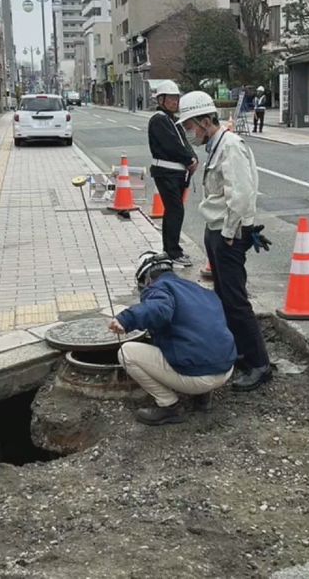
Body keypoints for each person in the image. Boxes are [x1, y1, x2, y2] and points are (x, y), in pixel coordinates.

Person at [175, 90, 274, 392]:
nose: (190, 132)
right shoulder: (216, 146)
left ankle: (259, 364)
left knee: (235, 300)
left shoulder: (230, 146)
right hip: (216, 230)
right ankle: (242, 354)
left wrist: (231, 234)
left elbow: (241, 196)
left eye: (191, 125)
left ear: (206, 120)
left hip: (227, 234)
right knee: (225, 297)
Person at [109, 251, 237, 425]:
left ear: (147, 279)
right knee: (193, 338)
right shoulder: (199, 290)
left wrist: (127, 319)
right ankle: (203, 397)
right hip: (225, 368)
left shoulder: (159, 288)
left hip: (198, 376)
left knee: (126, 352)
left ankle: (169, 406)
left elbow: (160, 309)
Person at [147, 80, 199, 267]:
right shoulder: (159, 120)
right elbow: (172, 145)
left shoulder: (171, 120)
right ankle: (172, 251)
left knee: (174, 211)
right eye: (170, 98)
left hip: (175, 173)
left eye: (176, 98)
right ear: (161, 100)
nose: (174, 101)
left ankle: (171, 249)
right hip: (166, 171)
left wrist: (193, 158)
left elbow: (184, 142)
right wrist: (189, 160)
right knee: (175, 210)